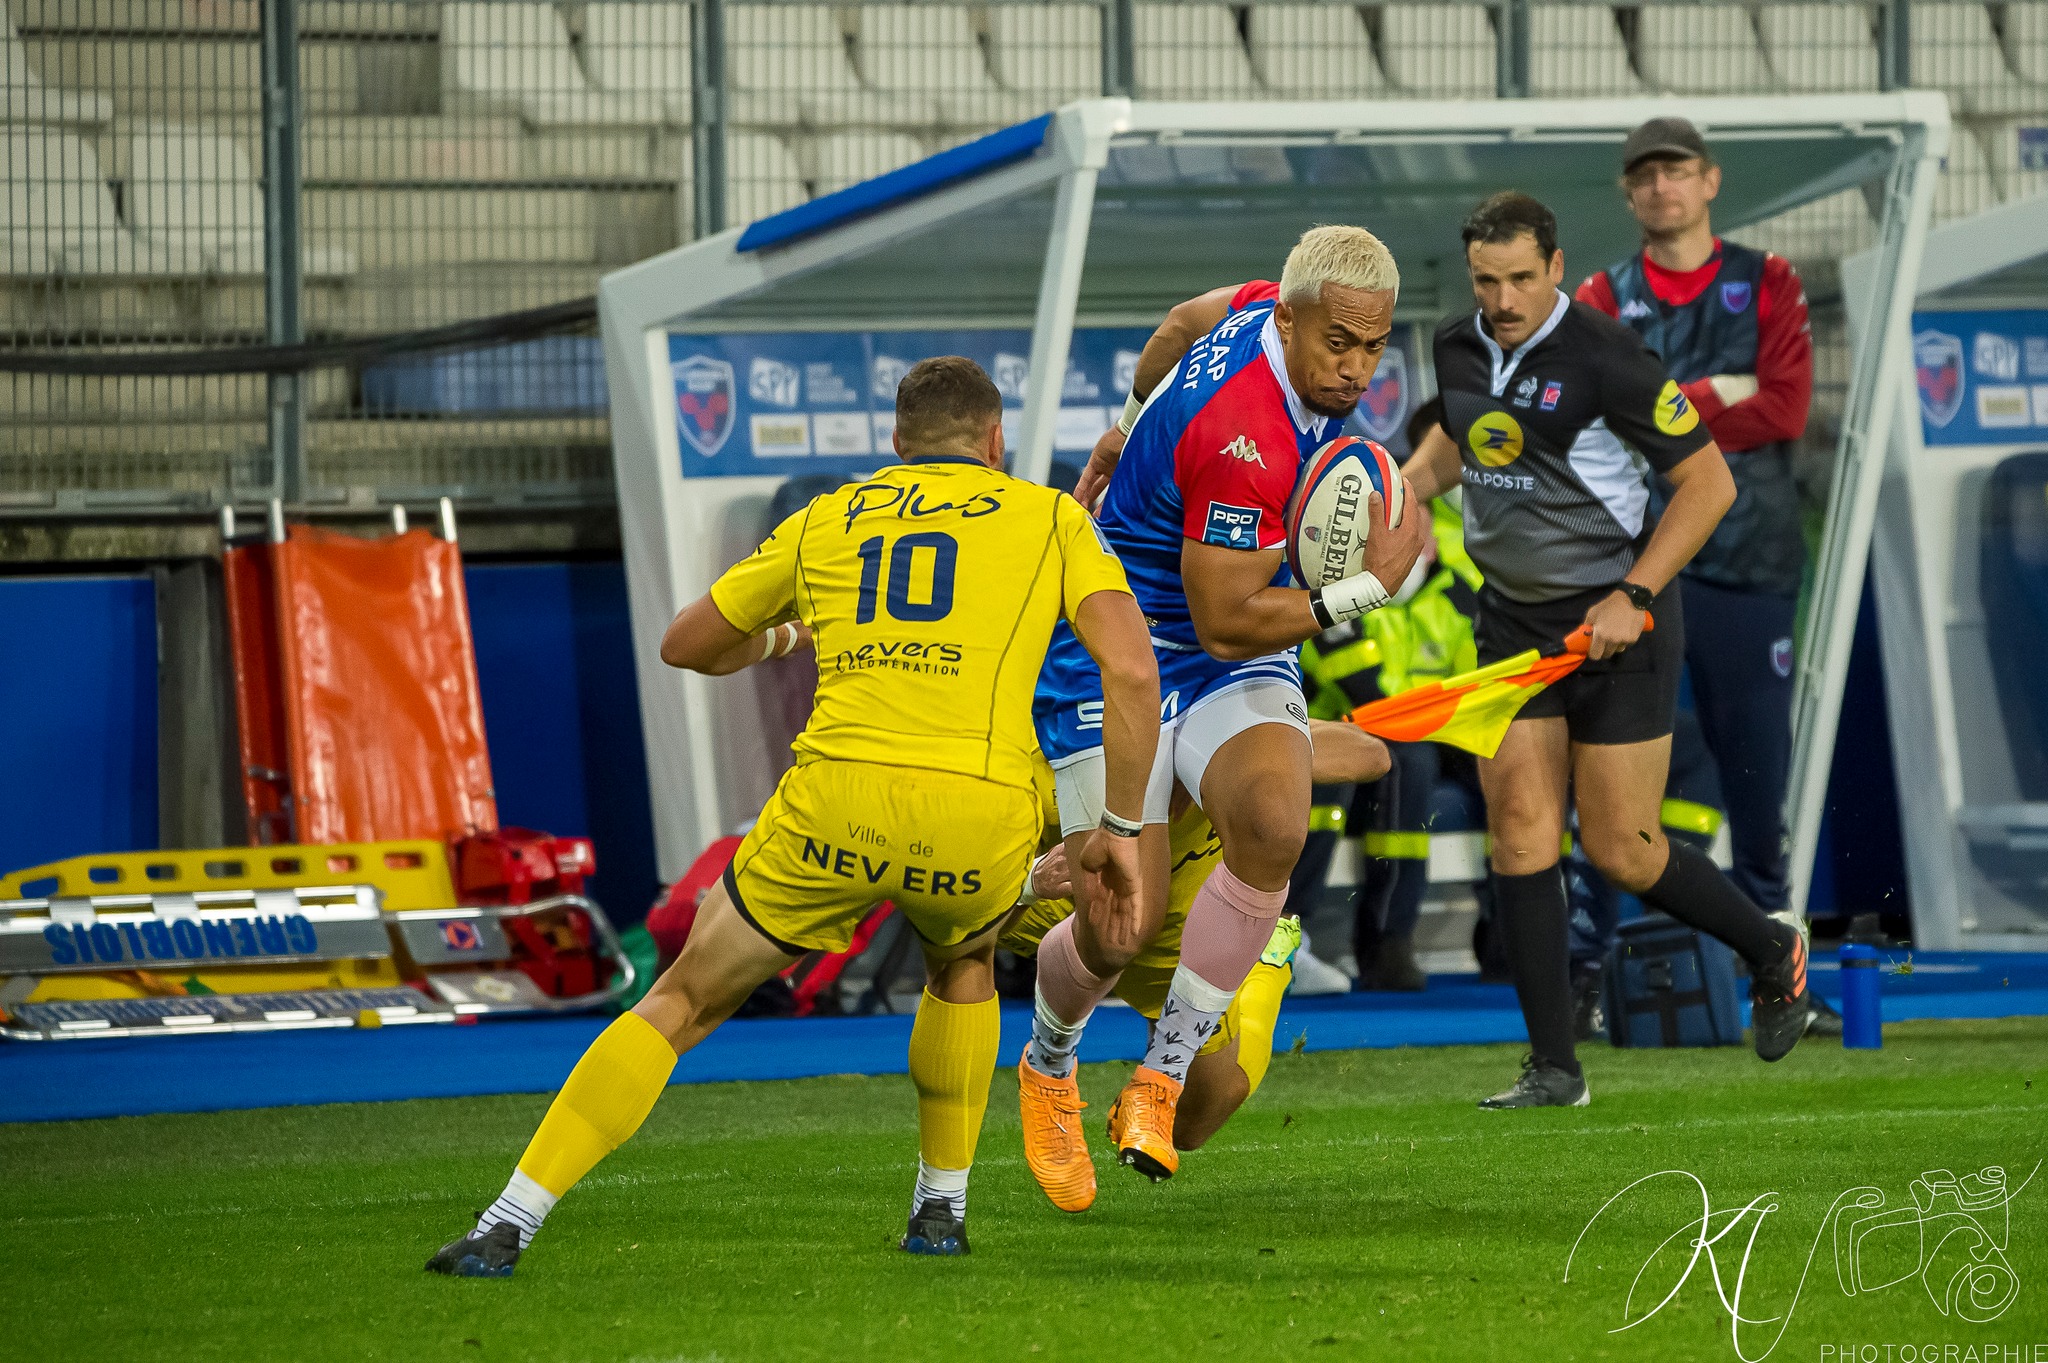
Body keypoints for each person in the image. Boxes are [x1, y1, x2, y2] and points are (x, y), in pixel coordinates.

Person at [425, 357, 1160, 1275]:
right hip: (975, 813)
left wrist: (786, 634)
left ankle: (508, 1221)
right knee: (963, 961)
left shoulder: (828, 517)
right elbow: (1131, 670)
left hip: (834, 804)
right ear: (995, 440)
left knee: (683, 996)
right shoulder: (1049, 516)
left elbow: (686, 643)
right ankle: (940, 1210)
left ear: (896, 442)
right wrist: (1119, 830)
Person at [1023, 226, 1428, 1193]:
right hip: (1123, 648)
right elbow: (1225, 619)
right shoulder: (1248, 431)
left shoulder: (1257, 306)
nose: (1356, 368)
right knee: (1118, 925)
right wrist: (1365, 590)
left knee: (1277, 824)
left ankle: (1158, 1078)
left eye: (1373, 346)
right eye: (1338, 342)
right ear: (1289, 321)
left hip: (1225, 652)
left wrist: (1127, 423)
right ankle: (1048, 1062)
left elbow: (1180, 319)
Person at [1399, 191, 1815, 1110]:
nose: (1503, 299)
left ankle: (1771, 945)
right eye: (1485, 281)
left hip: (1619, 623)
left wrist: (1635, 594)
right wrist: (1405, 488)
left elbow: (1708, 485)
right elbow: (1460, 438)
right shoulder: (1457, 343)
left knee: (1623, 848)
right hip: (1512, 623)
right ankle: (1555, 1067)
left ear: (1556, 267)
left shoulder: (1607, 355)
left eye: (1521, 278)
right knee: (1520, 832)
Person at [1572, 116, 1842, 1037]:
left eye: (1677, 169)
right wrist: (1720, 392)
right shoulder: (1602, 293)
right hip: (1635, 570)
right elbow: (1597, 418)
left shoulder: (1768, 280)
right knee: (1603, 784)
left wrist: (1669, 410)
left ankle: (1780, 975)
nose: (1662, 186)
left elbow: (1787, 408)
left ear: (1710, 180)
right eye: (1645, 174)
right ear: (1628, 192)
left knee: (1757, 782)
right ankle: (1587, 982)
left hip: (1746, 561)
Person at [1006, 716, 1389, 1198]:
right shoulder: (1036, 753)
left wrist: (1245, 753)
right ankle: (1043, 1080)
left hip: (1182, 936)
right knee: (972, 943)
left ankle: (1267, 961)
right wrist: (1030, 884)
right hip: (1061, 904)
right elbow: (962, 903)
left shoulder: (1200, 726)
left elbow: (1370, 754)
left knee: (1191, 1126)